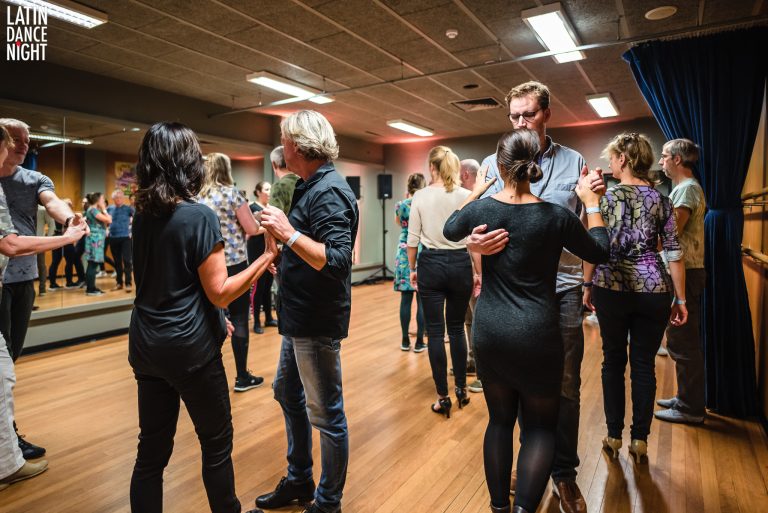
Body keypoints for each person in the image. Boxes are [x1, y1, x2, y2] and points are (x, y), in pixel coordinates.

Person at [444, 129, 609, 513]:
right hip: (537, 333)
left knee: (499, 423)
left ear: (499, 166)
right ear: (534, 165)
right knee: (539, 428)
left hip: (491, 331)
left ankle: (500, 508)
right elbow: (600, 250)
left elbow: (451, 228)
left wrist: (475, 194)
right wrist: (592, 202)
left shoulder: (481, 211)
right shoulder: (556, 216)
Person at [129, 122, 277, 513]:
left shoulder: (141, 215)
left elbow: (169, 280)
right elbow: (221, 290)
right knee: (215, 443)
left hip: (146, 346)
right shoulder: (199, 216)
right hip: (189, 350)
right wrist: (265, 257)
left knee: (151, 453)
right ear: (187, 162)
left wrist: (212, 315)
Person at [253, 110, 358, 513]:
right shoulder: (306, 185)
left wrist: (289, 233)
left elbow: (336, 260)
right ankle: (299, 479)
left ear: (298, 144)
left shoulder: (328, 190)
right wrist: (288, 253)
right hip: (297, 315)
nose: (282, 147)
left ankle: (328, 502)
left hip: (315, 321)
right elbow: (309, 247)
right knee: (287, 393)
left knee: (327, 414)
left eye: (284, 139)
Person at [583, 132, 687, 464]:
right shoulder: (662, 200)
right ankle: (640, 440)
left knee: (613, 361)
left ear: (624, 159)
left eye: (612, 158)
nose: (609, 164)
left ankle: (613, 434)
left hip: (611, 287)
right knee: (644, 365)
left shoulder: (606, 200)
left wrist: (587, 285)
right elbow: (673, 252)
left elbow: (594, 246)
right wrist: (681, 300)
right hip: (654, 289)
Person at [0, 125, 88, 491]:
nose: (23, 146)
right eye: (16, 140)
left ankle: (6, 437)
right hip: (6, 271)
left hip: (21, 277)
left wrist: (69, 220)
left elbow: (52, 202)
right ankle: (8, 444)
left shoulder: (32, 177)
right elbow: (9, 243)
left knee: (9, 360)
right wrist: (65, 238)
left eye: (27, 141)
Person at [407, 146, 473, 419]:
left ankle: (442, 397)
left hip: (431, 266)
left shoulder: (420, 196)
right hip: (460, 265)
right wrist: (478, 273)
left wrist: (412, 269)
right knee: (457, 330)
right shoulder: (467, 195)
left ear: (432, 167)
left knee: (435, 333)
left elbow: (412, 239)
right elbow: (473, 241)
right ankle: (462, 390)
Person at [197, 152, 264, 392]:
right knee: (238, 318)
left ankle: (207, 378)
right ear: (226, 170)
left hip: (205, 264)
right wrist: (262, 223)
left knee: (208, 318)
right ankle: (242, 377)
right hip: (234, 264)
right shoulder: (232, 194)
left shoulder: (197, 198)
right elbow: (250, 228)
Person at [655, 138, 707, 424]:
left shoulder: (686, 189)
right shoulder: (683, 188)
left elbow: (669, 237)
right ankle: (686, 398)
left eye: (664, 156)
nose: (661, 162)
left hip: (686, 273)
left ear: (676, 159)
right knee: (680, 340)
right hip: (684, 272)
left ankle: (690, 408)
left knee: (683, 343)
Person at [393, 173, 426, 352]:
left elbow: (399, 223)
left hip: (404, 251)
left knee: (405, 299)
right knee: (421, 300)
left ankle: (405, 340)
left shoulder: (401, 205)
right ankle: (420, 341)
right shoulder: (425, 203)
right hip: (421, 249)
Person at [459, 159, 481, 388]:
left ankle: (484, 373)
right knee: (467, 318)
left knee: (478, 319)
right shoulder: (463, 198)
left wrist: (478, 272)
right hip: (462, 268)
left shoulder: (478, 199)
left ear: (465, 174)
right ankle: (472, 360)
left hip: (477, 270)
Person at [248, 181, 276, 334]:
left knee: (267, 287)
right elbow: (251, 230)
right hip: (256, 252)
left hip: (268, 252)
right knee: (258, 288)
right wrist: (269, 226)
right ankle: (257, 322)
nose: (269, 192)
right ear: (258, 192)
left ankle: (269, 318)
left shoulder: (268, 209)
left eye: (270, 189)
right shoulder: (253, 208)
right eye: (266, 189)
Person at [83, 192, 112, 296]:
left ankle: (91, 287)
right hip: (95, 241)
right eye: (102, 199)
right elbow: (109, 219)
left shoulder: (90, 210)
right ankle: (90, 289)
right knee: (93, 264)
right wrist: (104, 208)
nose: (103, 201)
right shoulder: (93, 210)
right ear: (98, 200)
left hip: (94, 240)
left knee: (92, 264)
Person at [107, 189, 134, 292]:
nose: (118, 199)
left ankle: (128, 283)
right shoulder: (109, 208)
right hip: (113, 238)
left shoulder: (129, 209)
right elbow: (104, 220)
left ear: (123, 198)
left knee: (127, 261)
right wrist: (106, 229)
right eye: (116, 198)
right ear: (113, 199)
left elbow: (136, 220)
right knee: (117, 262)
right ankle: (119, 283)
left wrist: (132, 232)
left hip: (126, 238)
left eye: (120, 197)